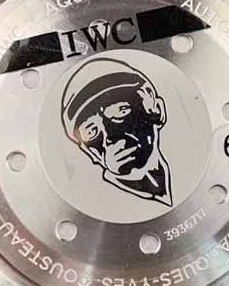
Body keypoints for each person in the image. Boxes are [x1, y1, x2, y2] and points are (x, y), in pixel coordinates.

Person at [61, 57, 172, 206]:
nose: (109, 137)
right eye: (92, 131)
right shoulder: (97, 204)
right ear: (88, 151)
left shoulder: (188, 161)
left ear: (155, 109)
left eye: (120, 112)